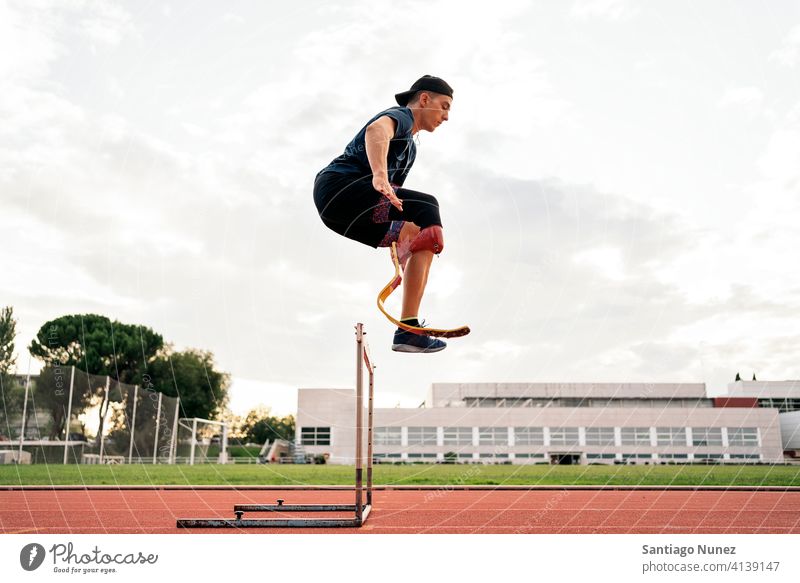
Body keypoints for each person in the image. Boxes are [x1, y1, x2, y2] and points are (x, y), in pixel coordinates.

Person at [314, 75, 453, 353]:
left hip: (341, 216)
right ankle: (409, 328)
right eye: (444, 106)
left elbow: (396, 204)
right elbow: (376, 131)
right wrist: (379, 175)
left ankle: (408, 330)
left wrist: (408, 245)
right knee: (429, 207)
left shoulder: (411, 149)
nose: (446, 117)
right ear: (424, 99)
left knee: (421, 231)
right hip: (339, 188)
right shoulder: (401, 118)